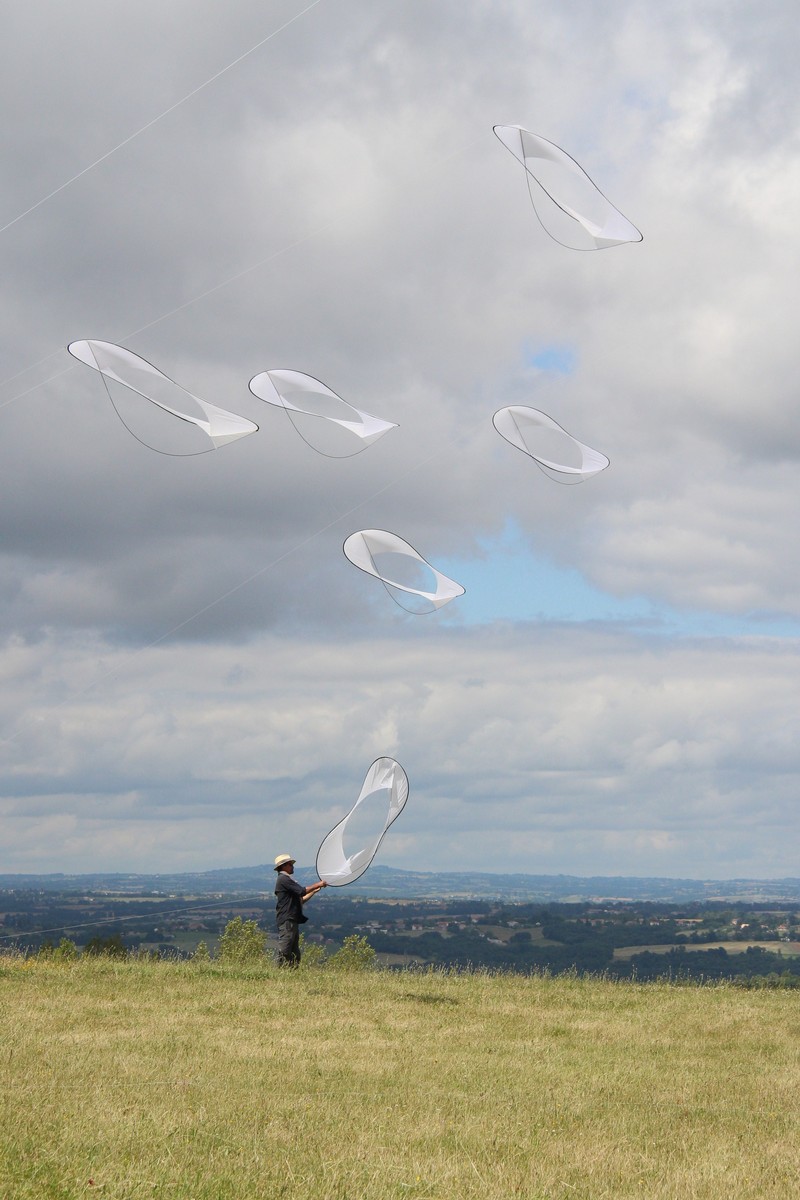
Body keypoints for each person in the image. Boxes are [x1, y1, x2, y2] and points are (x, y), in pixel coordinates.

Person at [273, 854, 327, 966]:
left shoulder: (285, 879)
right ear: (284, 866)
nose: (293, 866)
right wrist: (318, 884)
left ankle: (292, 972)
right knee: (285, 948)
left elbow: (300, 900)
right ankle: (279, 972)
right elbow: (302, 891)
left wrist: (313, 891)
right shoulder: (284, 879)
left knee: (294, 951)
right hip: (287, 920)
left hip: (291, 920)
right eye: (290, 864)